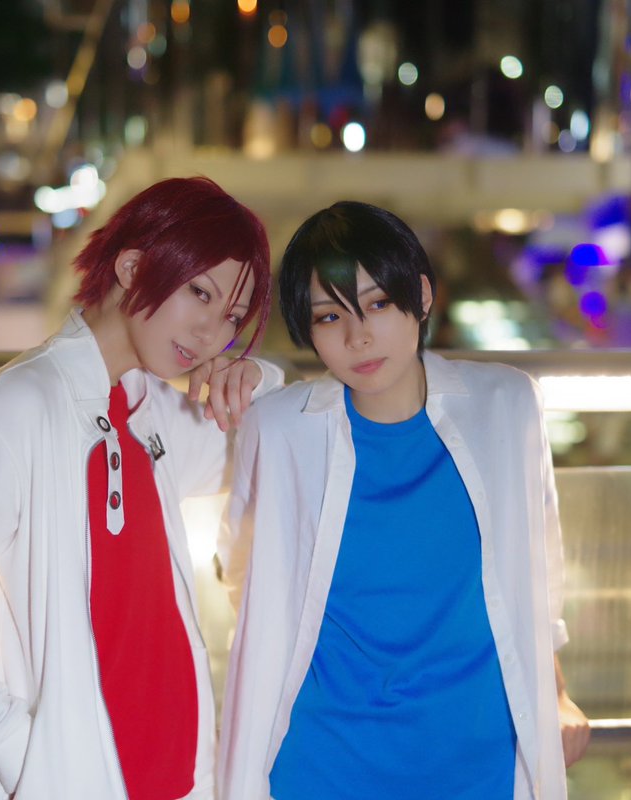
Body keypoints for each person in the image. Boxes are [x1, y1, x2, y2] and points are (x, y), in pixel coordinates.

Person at [0, 177, 282, 800]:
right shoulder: (19, 405)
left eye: (230, 316)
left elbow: (278, 439)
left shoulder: (153, 410)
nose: (210, 333)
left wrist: (255, 377)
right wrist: (23, 753)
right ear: (132, 267)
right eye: (199, 292)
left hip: (181, 780)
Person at [217, 201, 590, 799]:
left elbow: (535, 575)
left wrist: (558, 692)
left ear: (421, 295)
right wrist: (261, 374)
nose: (358, 335)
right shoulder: (281, 429)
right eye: (329, 317)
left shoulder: (507, 405)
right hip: (324, 762)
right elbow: (245, 575)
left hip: (475, 757)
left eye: (379, 304)